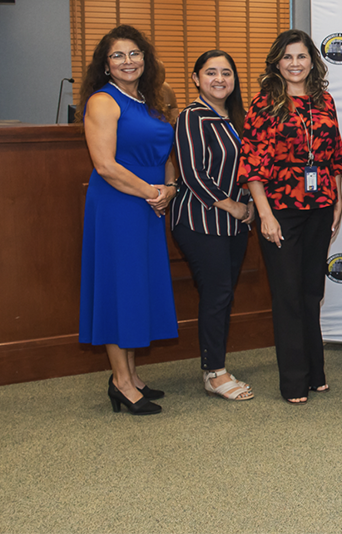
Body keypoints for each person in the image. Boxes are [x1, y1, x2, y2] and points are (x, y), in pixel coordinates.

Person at [239, 30, 342, 405]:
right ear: (277, 63)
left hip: (319, 208)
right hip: (281, 211)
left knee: (311, 294)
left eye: (301, 57)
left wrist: (337, 198)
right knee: (287, 296)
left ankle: (315, 372)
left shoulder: (324, 101)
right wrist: (265, 216)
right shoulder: (264, 104)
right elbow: (251, 164)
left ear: (312, 62)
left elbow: (335, 155)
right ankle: (292, 382)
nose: (295, 64)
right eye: (287, 57)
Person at [78, 24, 178, 416]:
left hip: (149, 204)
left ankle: (132, 375)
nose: (127, 61)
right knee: (120, 289)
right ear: (106, 65)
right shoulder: (103, 102)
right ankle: (120, 381)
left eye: (134, 53)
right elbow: (105, 166)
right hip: (120, 204)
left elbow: (166, 155)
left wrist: (169, 188)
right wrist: (152, 193)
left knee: (138, 287)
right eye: (117, 56)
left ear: (145, 58)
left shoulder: (151, 100)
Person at [171, 50, 257, 401]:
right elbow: (192, 174)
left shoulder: (237, 118)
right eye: (210, 72)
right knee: (217, 294)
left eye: (226, 72)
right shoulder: (192, 117)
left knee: (223, 295)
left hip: (234, 225)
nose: (219, 79)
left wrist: (250, 205)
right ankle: (214, 372)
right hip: (200, 221)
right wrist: (236, 206)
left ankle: (217, 365)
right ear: (195, 78)